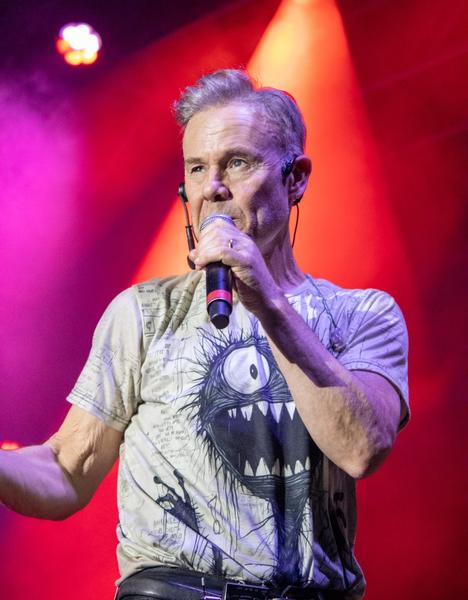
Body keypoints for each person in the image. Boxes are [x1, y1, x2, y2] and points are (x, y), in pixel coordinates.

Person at [0, 69, 409, 600]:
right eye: (197, 168)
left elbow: (361, 448)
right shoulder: (145, 312)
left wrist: (266, 302)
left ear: (296, 178)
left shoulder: (364, 314)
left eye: (237, 162)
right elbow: (66, 470)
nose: (213, 187)